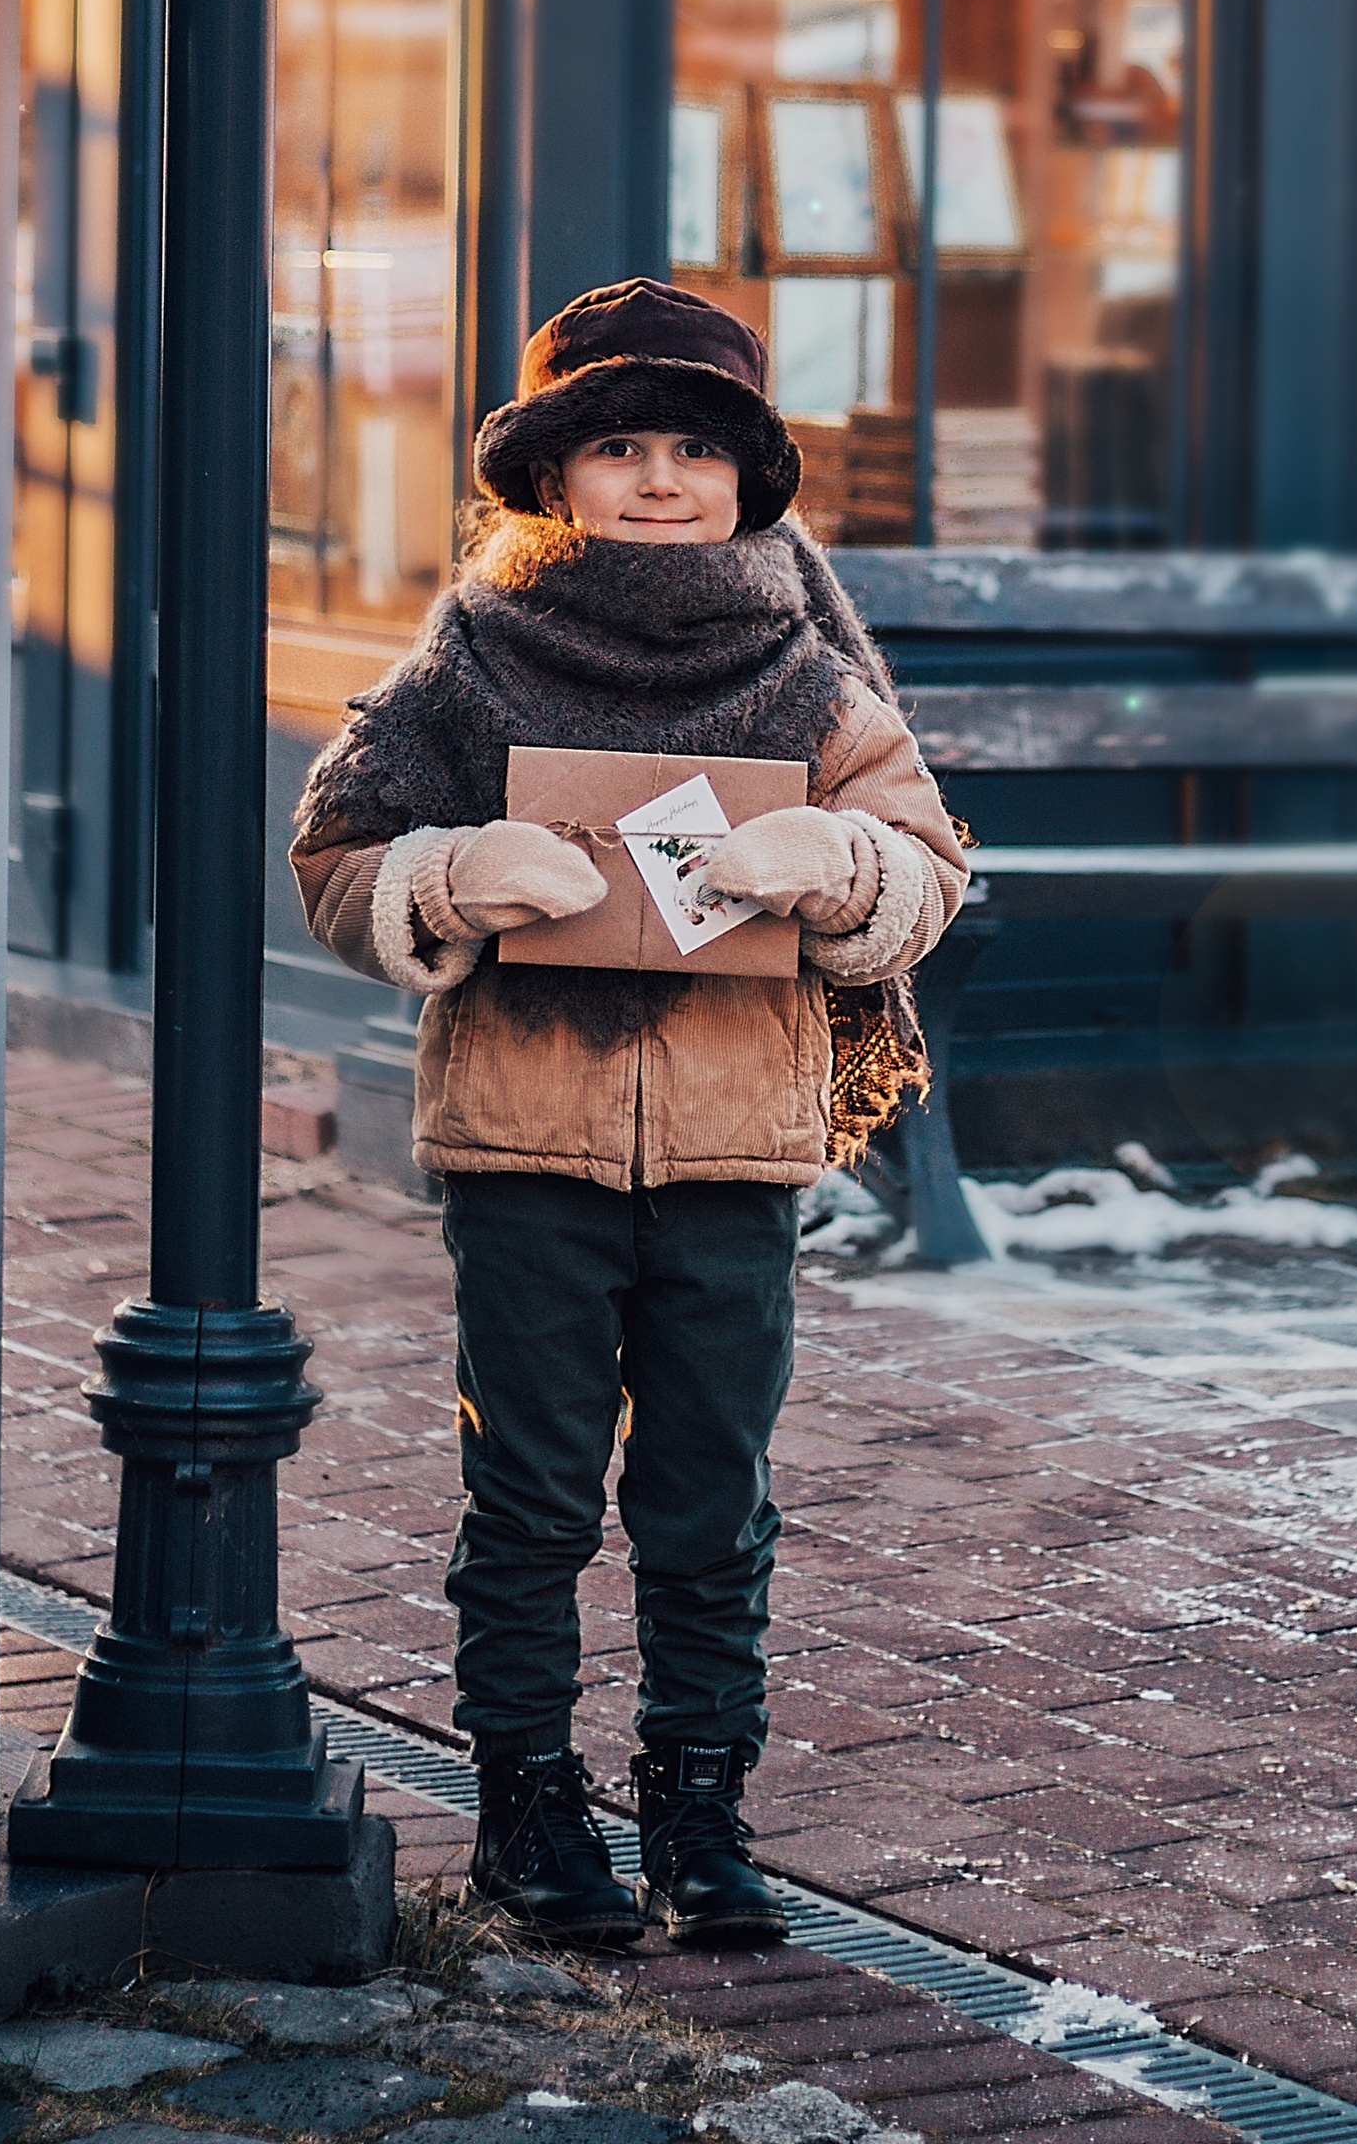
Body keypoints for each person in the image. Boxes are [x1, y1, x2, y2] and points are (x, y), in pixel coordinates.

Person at [289, 279, 970, 1951]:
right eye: (617, 448)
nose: (660, 479)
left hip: (740, 1149)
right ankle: (530, 1806)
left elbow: (929, 864)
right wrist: (448, 874)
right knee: (524, 1493)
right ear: (551, 478)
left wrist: (845, 868)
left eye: (692, 448)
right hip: (527, 1143)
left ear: (744, 477)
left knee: (708, 1492)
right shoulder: (471, 657)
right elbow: (333, 852)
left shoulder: (809, 674)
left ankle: (700, 1808)